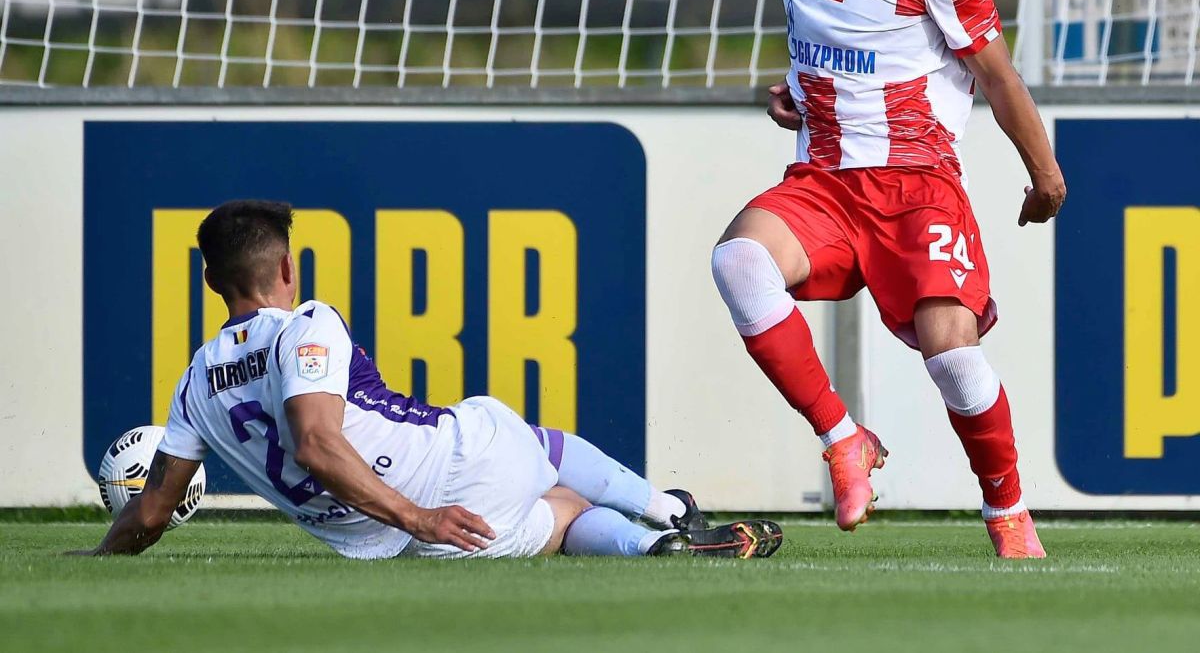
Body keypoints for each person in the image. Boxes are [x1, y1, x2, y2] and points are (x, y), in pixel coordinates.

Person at [709, 0, 1065, 559]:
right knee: (737, 261)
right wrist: (801, 98)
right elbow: (833, 48)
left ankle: (1007, 513)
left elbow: (997, 76)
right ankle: (843, 438)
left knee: (955, 359)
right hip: (826, 184)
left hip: (916, 188)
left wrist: (1044, 173)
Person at [78, 200, 782, 561]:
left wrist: (95, 555)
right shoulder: (307, 322)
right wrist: (419, 511)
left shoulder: (196, 382)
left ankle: (656, 543)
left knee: (560, 518)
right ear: (287, 270)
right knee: (524, 435)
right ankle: (669, 509)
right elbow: (317, 442)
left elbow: (148, 514)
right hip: (439, 486)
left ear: (210, 282)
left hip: (400, 536)